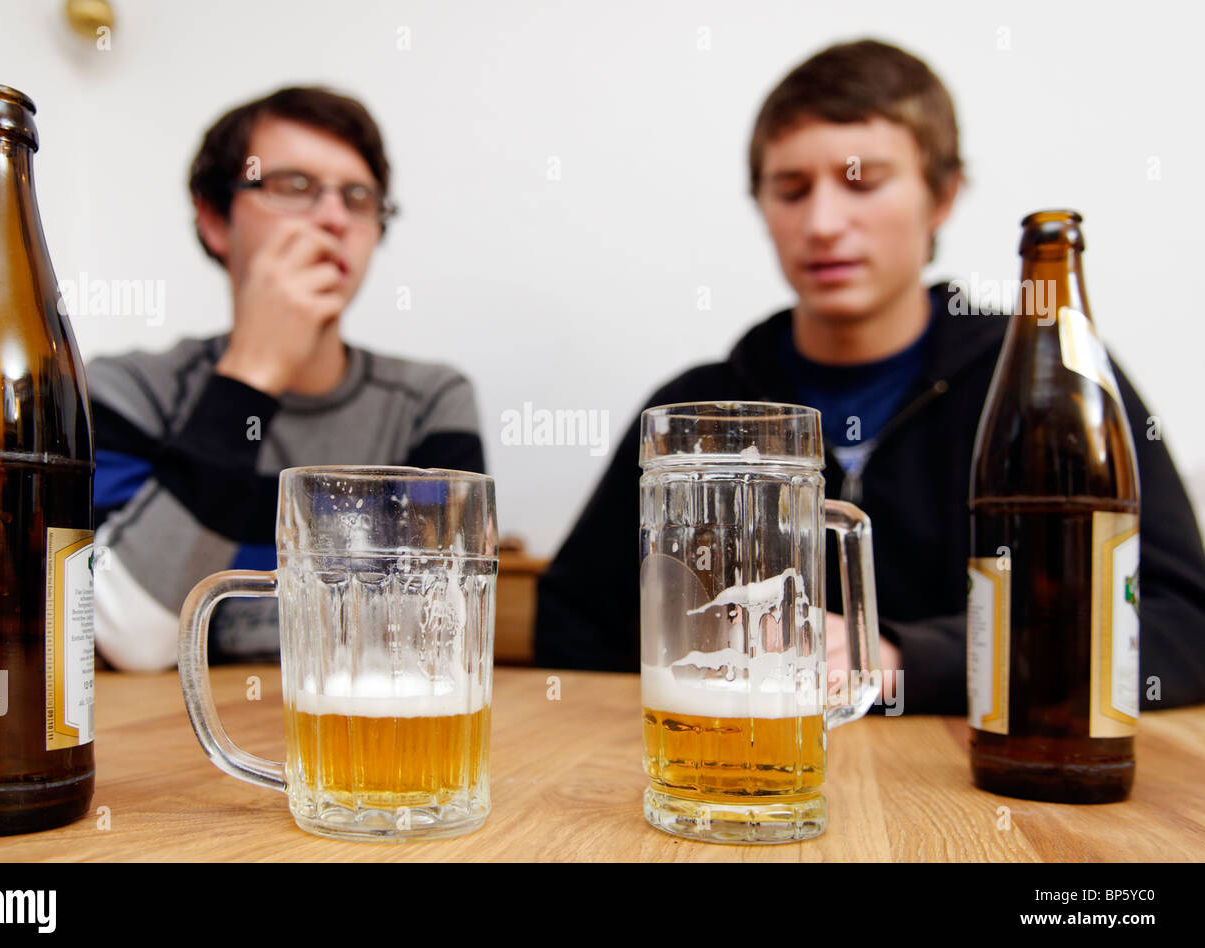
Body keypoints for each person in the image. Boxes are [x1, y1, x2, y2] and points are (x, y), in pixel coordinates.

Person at [534, 40, 1205, 711]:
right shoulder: (693, 409)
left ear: (942, 196)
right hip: (743, 782)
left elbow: (1184, 625)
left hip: (968, 788)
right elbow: (571, 626)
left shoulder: (1050, 378)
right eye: (791, 190)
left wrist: (907, 657)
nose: (823, 224)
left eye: (863, 182)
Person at [89, 87, 485, 671]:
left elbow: (435, 644)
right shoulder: (127, 391)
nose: (333, 217)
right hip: (174, 738)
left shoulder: (429, 400)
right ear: (214, 219)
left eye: (358, 197)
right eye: (293, 187)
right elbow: (130, 640)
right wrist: (252, 374)